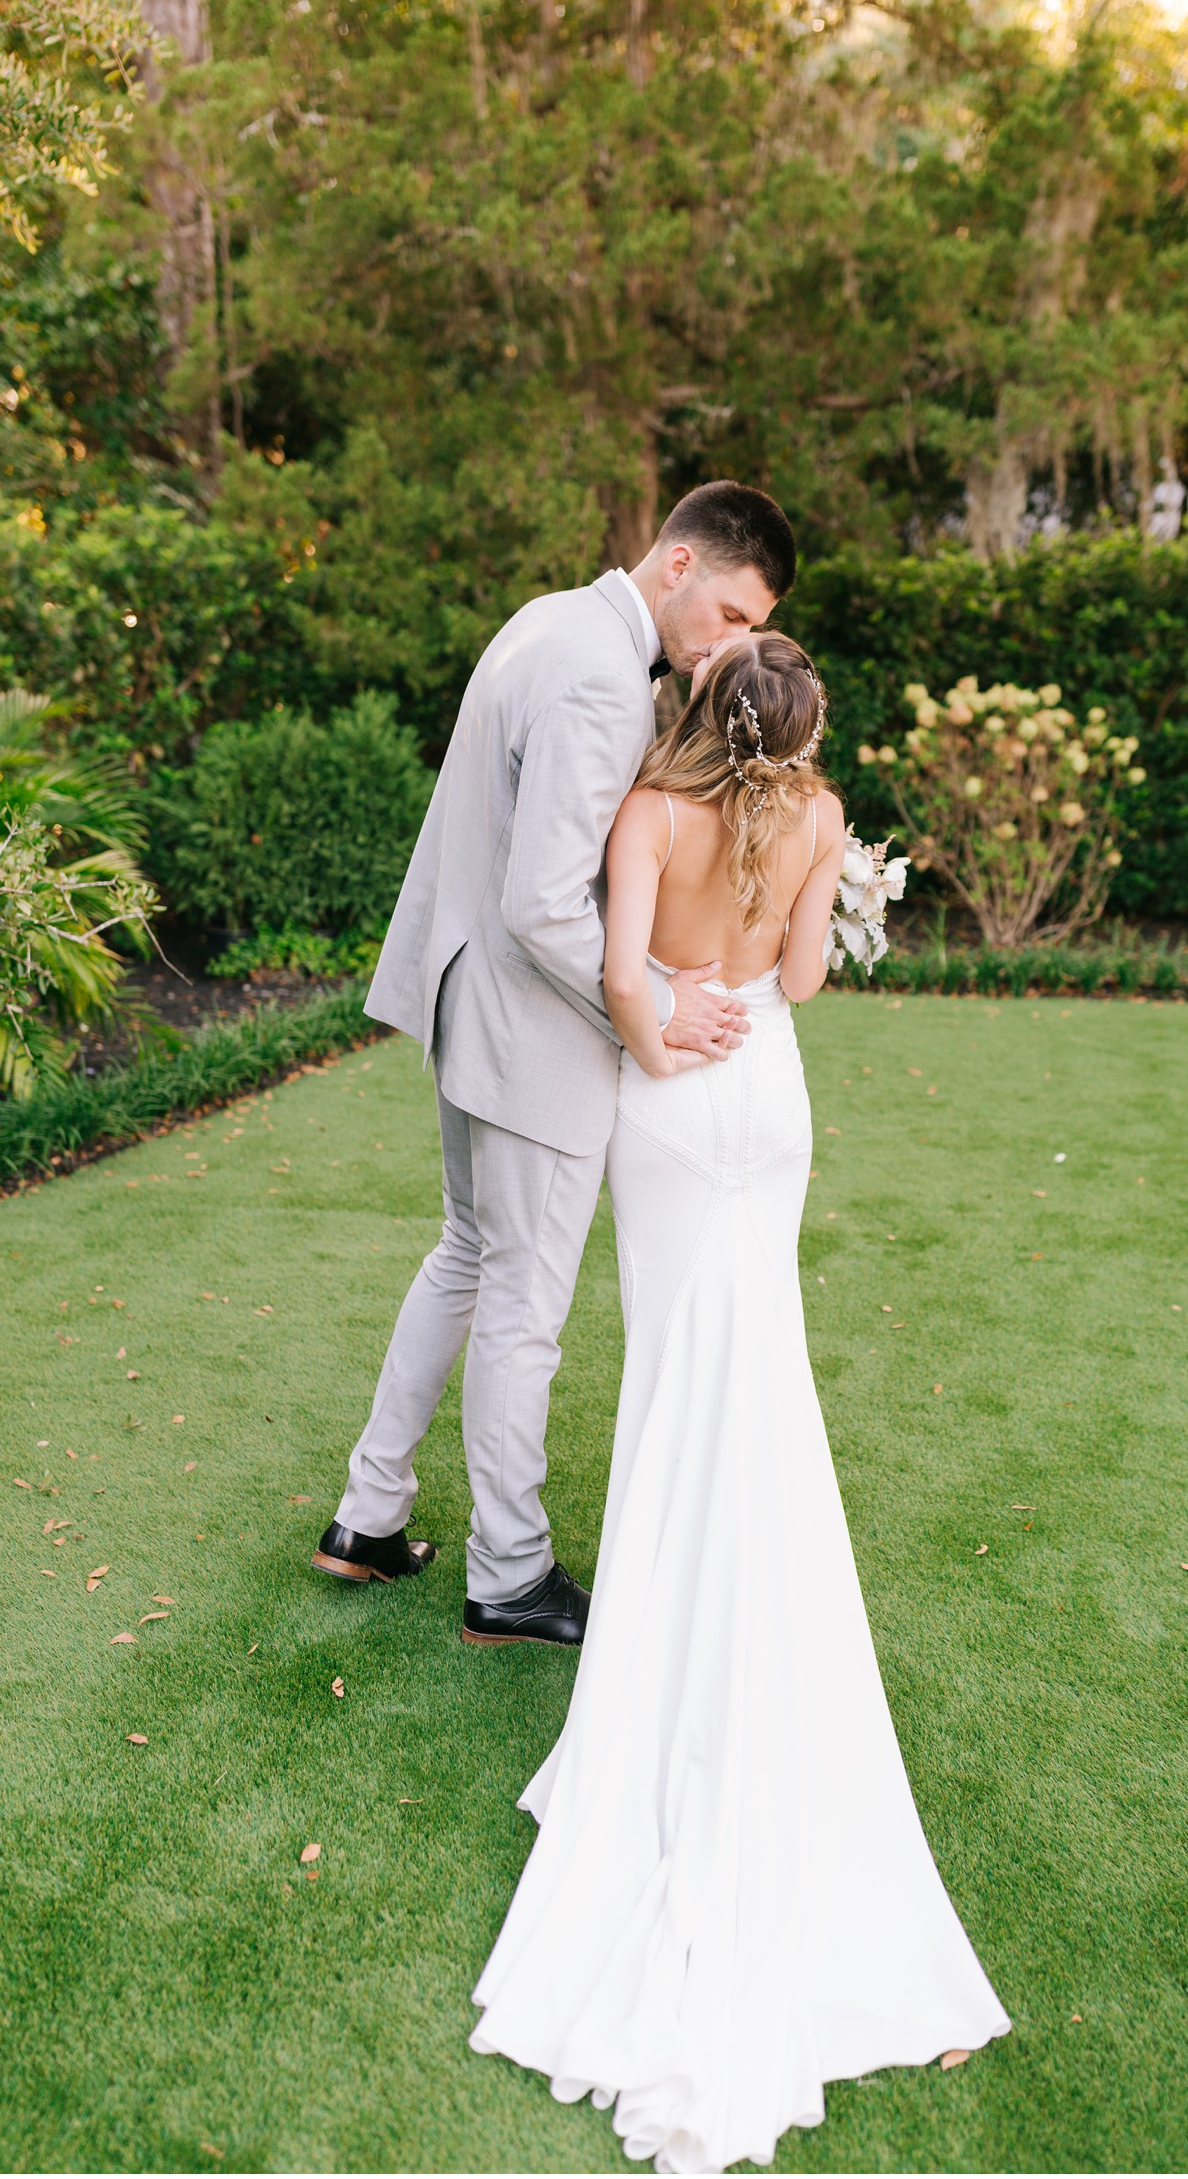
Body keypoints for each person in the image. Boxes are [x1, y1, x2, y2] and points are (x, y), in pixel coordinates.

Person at [467, 632, 1011, 2174]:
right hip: (765, 1102)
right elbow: (800, 982)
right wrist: (793, 915)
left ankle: (662, 1646)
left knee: (673, 1374)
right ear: (806, 726)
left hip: (670, 1100)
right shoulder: (825, 817)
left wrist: (659, 1029)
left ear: (701, 706)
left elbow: (627, 976)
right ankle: (748, 1622)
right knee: (755, 1370)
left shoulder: (644, 812)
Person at [312, 483, 797, 1646]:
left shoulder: (554, 617)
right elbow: (545, 904)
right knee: (526, 1300)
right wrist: (654, 1001)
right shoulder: (595, 674)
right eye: (729, 614)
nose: (731, 645)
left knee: (469, 1254)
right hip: (530, 1027)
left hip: (462, 995)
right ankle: (509, 1574)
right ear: (677, 563)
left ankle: (369, 1516)